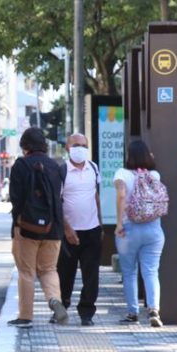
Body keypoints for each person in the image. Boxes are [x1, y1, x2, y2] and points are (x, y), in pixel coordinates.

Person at [7, 127, 67, 327]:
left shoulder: (21, 166)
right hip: (54, 228)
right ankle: (55, 300)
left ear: (25, 146)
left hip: (27, 229)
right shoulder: (56, 166)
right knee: (49, 269)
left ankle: (26, 316)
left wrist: (17, 224)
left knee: (26, 272)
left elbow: (16, 199)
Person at [114, 139, 165, 327]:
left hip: (129, 229)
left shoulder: (122, 174)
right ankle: (153, 309)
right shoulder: (154, 175)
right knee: (151, 271)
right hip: (154, 229)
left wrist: (119, 223)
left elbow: (120, 195)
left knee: (129, 272)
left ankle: (132, 312)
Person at [56, 133, 102, 326]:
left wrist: (100, 222)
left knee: (91, 275)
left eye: (84, 145)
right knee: (65, 274)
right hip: (69, 232)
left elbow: (96, 196)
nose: (80, 148)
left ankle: (87, 312)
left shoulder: (93, 168)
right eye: (76, 145)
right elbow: (57, 203)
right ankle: (61, 308)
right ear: (67, 147)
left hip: (91, 229)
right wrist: (66, 228)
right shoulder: (62, 171)